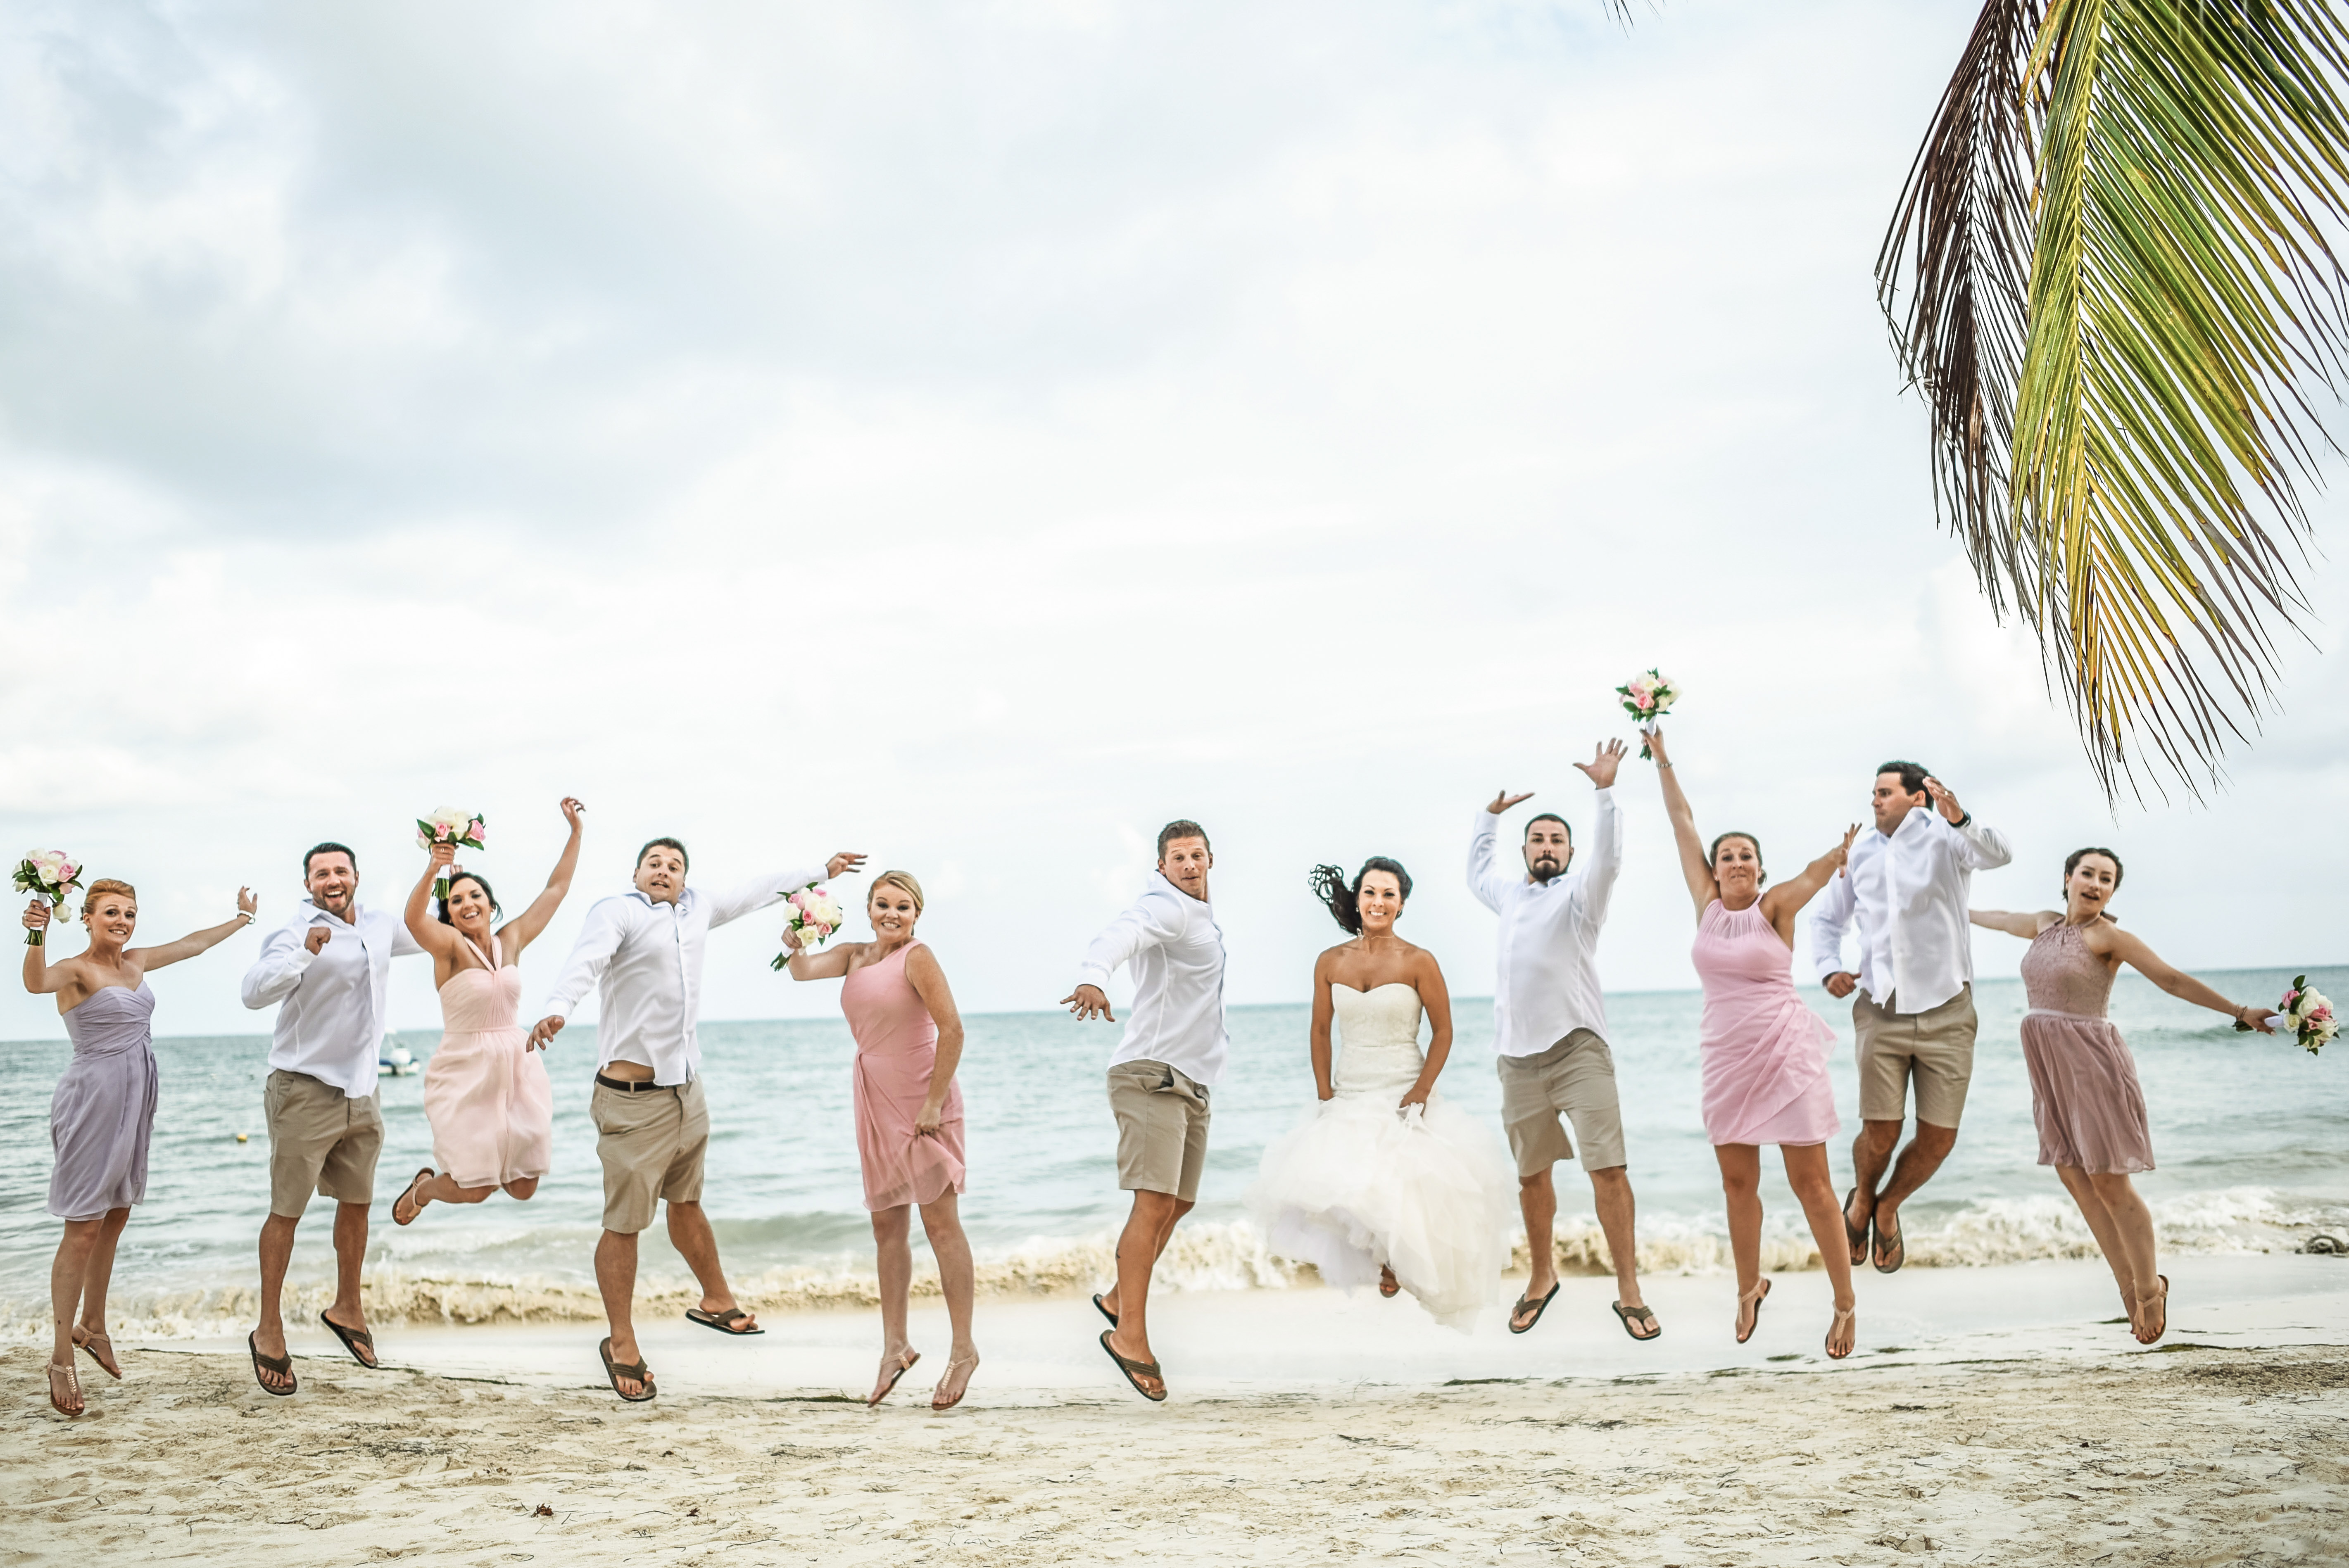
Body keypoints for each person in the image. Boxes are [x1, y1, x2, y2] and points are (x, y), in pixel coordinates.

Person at [530, 836, 865, 1403]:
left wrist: (820, 870)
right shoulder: (618, 912)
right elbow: (585, 961)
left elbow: (756, 891)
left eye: (675, 865)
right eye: (654, 863)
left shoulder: (697, 908)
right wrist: (557, 1009)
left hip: (687, 1091)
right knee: (624, 1225)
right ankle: (621, 1341)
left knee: (686, 1202)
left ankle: (715, 1299)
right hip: (631, 1098)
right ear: (637, 873)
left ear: (685, 879)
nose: (664, 870)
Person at [1971, 848, 2275, 1344]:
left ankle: (2149, 1287)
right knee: (2074, 1176)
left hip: (2092, 1065)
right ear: (2067, 878)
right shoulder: (2043, 924)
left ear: (2112, 892)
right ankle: (2126, 1285)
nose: (2095, 883)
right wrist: (1948, 904)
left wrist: (2239, 1011)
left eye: (2106, 879)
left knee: (2109, 1182)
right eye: (2087, 873)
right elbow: (1999, 918)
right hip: (2049, 1067)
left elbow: (2170, 979)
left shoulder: (2108, 937)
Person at [1644, 725, 1862, 1357]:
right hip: (1726, 1059)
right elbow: (1682, 822)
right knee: (1737, 1185)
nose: (1736, 862)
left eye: (1746, 855)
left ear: (1759, 868)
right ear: (1713, 871)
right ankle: (1748, 1288)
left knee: (1811, 1186)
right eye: (1726, 856)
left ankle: (1844, 1302)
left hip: (1785, 1054)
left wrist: (1839, 852)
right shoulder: (1706, 906)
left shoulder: (1775, 907)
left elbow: (1815, 874)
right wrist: (1662, 759)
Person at [1244, 858, 1516, 1330]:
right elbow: (1320, 1030)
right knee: (1343, 1183)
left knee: (1408, 1183)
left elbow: (1444, 1031)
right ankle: (1380, 1257)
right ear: (1358, 899)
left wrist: (1421, 1090)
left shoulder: (1419, 961)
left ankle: (1396, 1263)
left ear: (1401, 904)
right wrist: (1325, 1093)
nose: (1378, 902)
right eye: (1370, 892)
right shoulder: (1330, 961)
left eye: (1389, 894)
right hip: (1349, 1088)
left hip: (1402, 1089)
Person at [22, 880, 255, 1416]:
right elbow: (35, 982)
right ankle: (60, 1356)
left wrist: (243, 919)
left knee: (116, 1214)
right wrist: (36, 933)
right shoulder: (76, 970)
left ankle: (94, 1325)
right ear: (86, 918)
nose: (122, 921)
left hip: (136, 1100)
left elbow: (194, 944)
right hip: (92, 1102)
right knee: (82, 1227)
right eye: (111, 912)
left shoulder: (137, 962)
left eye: (129, 913)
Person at [1468, 741, 1660, 1341]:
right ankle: (1542, 1275)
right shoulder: (1509, 896)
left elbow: (1610, 859)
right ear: (1525, 850)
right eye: (1537, 840)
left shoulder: (1581, 896)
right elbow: (1477, 873)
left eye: (1556, 840)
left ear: (1570, 853)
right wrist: (1489, 818)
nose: (1546, 846)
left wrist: (1605, 793)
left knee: (1609, 1169)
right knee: (1532, 1177)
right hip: (1516, 1058)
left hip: (1578, 1049)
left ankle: (1629, 1290)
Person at [780, 870, 980, 1411]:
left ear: (916, 915)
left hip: (923, 1100)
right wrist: (795, 938)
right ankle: (895, 1346)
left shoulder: (917, 957)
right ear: (868, 908)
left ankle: (964, 1349)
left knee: (941, 1225)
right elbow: (801, 971)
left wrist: (933, 1104)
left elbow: (953, 1029)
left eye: (903, 907)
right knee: (886, 1228)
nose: (893, 914)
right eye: (883, 904)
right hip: (874, 1098)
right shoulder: (853, 955)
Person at [1807, 760, 2011, 1275]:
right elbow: (1826, 919)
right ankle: (1862, 1199)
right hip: (1880, 1011)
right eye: (1873, 792)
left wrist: (1959, 816)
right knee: (1880, 1132)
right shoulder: (1859, 853)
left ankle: (1889, 1204)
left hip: (1948, 1009)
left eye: (1885, 792)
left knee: (1939, 1138)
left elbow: (1998, 854)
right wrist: (1829, 968)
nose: (1874, 800)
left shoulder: (1948, 837)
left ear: (1917, 797)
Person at [241, 842, 428, 1396]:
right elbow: (253, 993)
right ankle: (268, 1327)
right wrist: (304, 953)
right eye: (321, 873)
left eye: (340, 870)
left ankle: (347, 1307)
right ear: (309, 883)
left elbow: (430, 929)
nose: (332, 879)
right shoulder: (293, 932)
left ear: (356, 876)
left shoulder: (379, 925)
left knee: (357, 1203)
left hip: (362, 1091)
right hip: (304, 1089)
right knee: (287, 1212)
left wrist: (440, 870)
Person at [1062, 820, 1225, 1403]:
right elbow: (1120, 934)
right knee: (1152, 1204)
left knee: (1178, 1203)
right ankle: (1129, 1335)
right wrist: (1093, 977)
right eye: (1177, 857)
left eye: (1196, 855)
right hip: (1151, 1075)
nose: (1188, 865)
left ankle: (1116, 1298)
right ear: (1161, 867)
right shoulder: (1167, 907)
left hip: (1190, 1080)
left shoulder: (1201, 916)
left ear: (1211, 860)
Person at [390, 798, 586, 1226]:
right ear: (449, 914)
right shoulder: (449, 948)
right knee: (475, 1189)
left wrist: (575, 833)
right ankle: (424, 1189)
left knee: (524, 1187)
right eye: (457, 900)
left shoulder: (511, 939)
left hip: (516, 1066)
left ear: (490, 903)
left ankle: (482, 1168)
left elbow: (555, 890)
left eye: (475, 895)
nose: (467, 904)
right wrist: (435, 868)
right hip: (467, 1069)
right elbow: (414, 920)